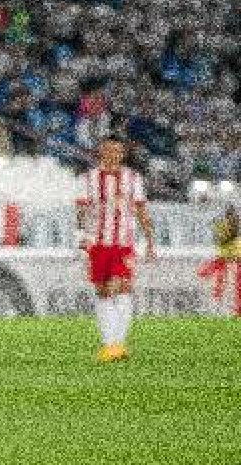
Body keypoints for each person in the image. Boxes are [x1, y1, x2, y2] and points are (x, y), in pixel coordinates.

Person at [75, 136, 156, 362]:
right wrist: (80, 236)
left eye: (117, 150)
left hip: (123, 243)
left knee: (120, 289)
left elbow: (141, 210)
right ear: (101, 151)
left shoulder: (133, 178)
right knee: (102, 292)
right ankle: (111, 345)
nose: (113, 154)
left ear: (123, 153)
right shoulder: (88, 178)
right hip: (98, 243)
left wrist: (150, 241)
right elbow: (81, 210)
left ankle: (117, 344)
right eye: (108, 150)